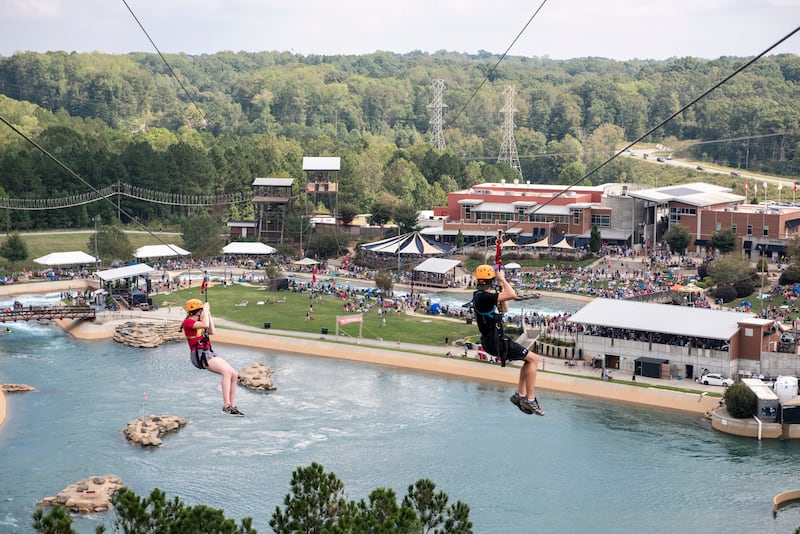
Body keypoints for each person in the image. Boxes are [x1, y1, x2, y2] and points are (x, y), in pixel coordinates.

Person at [472, 264, 544, 416]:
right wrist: (503, 279)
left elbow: (504, 309)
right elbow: (513, 295)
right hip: (496, 341)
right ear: (491, 281)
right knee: (534, 359)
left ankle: (521, 395)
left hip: (495, 340)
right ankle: (529, 398)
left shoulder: (480, 296)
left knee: (529, 360)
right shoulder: (484, 297)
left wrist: (500, 289)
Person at [182, 298, 244, 416]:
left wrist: (208, 314)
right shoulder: (188, 322)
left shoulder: (199, 322)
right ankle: (226, 405)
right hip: (200, 354)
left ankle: (233, 405)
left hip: (207, 352)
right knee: (226, 372)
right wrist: (205, 311)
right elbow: (204, 324)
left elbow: (212, 331)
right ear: (198, 311)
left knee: (234, 374)